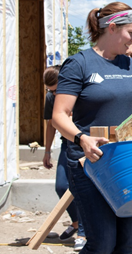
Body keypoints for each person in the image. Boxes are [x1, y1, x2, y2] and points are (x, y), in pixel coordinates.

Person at [52, 2, 132, 254]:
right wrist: (82, 139)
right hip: (90, 164)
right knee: (102, 244)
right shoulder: (79, 64)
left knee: (127, 243)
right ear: (112, 28)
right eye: (131, 33)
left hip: (127, 164)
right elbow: (59, 115)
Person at [42, 66, 87, 251]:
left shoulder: (80, 92)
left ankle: (83, 233)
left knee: (83, 189)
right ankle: (76, 223)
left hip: (85, 144)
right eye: (49, 90)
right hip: (67, 144)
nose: (52, 93)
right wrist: (46, 151)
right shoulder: (51, 97)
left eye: (55, 89)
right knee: (62, 186)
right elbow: (51, 124)